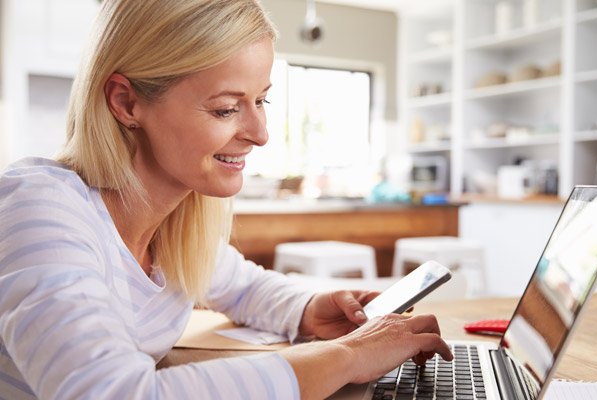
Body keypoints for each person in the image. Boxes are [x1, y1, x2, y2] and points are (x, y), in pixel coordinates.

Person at [0, 0, 452, 398]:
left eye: (261, 101)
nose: (260, 134)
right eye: (225, 108)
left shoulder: (175, 223)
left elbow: (244, 286)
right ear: (126, 103)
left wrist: (310, 310)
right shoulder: (40, 208)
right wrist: (346, 357)